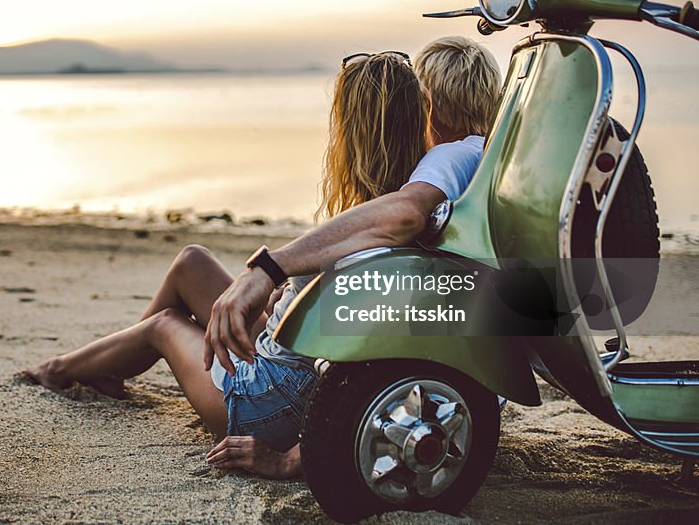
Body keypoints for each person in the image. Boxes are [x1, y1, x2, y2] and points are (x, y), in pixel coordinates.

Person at [22, 49, 432, 477]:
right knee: (192, 262)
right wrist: (285, 296)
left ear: (353, 133)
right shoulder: (398, 207)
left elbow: (366, 361)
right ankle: (113, 367)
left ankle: (59, 370)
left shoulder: (384, 226)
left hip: (268, 403)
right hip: (281, 350)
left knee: (164, 324)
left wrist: (293, 459)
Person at [202, 36, 501, 474]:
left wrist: (273, 265)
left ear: (430, 107)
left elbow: (403, 216)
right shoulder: (486, 164)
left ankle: (74, 369)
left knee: (174, 315)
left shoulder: (449, 158)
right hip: (471, 380)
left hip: (426, 388)